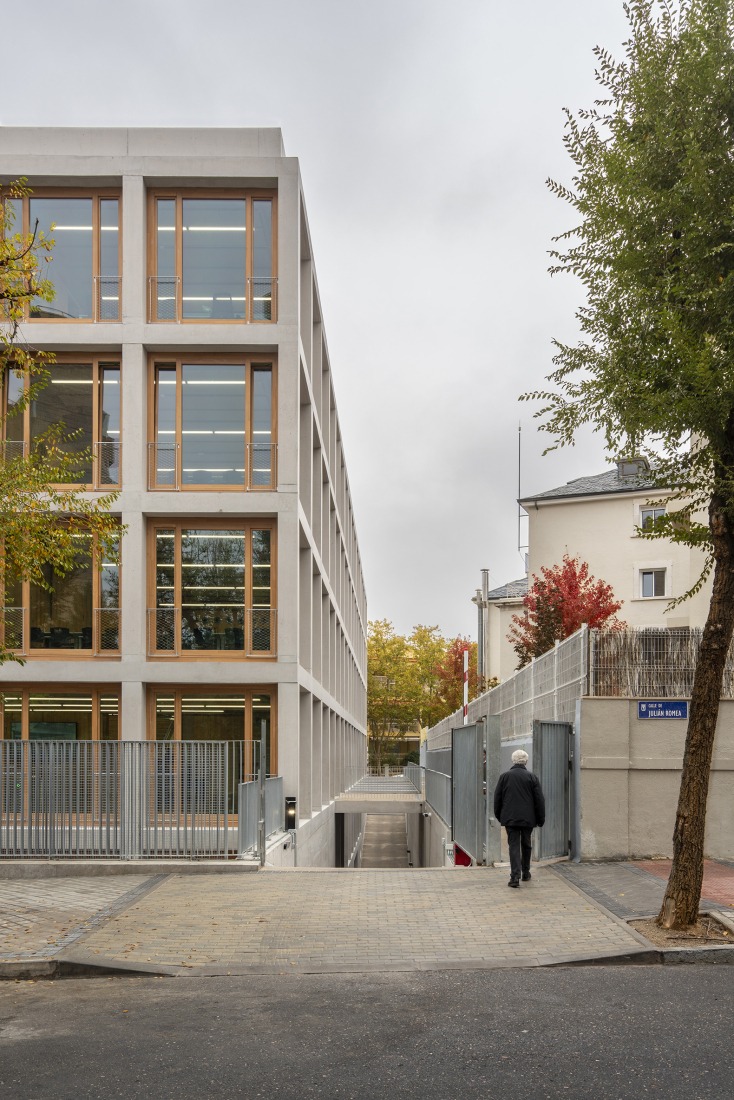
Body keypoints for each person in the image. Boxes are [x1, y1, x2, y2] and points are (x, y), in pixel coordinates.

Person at [493, 749, 545, 888]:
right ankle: (526, 872)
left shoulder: (504, 777)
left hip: (510, 818)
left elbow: (497, 798)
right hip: (528, 818)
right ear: (526, 761)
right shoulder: (532, 777)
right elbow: (539, 800)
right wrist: (541, 818)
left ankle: (514, 877)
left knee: (514, 846)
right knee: (526, 844)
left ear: (513, 760)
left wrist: (499, 815)